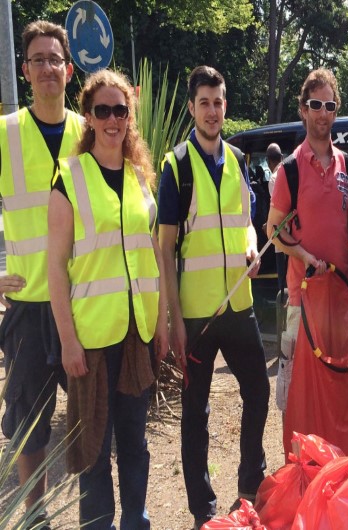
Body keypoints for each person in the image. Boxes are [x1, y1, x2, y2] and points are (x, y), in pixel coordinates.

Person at [47, 69, 169, 529]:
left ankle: (135, 521)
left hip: (136, 333)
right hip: (91, 340)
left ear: (129, 116)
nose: (113, 118)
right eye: (104, 110)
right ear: (89, 117)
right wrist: (67, 341)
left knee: (135, 445)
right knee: (93, 449)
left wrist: (160, 326)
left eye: (121, 109)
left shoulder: (141, 178)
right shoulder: (70, 178)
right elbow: (55, 267)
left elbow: (150, 259)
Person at [157, 66, 269, 530]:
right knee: (196, 414)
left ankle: (248, 486)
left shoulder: (239, 159)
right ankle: (203, 509)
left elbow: (245, 218)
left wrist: (248, 242)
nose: (213, 110)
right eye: (204, 102)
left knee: (259, 392)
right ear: (191, 107)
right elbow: (163, 247)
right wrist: (173, 319)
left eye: (219, 101)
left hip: (238, 305)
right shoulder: (176, 166)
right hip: (197, 316)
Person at [0, 20, 83, 528]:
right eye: (38, 60)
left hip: (86, 300)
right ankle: (36, 514)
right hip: (30, 305)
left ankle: (95, 506)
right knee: (30, 421)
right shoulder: (6, 134)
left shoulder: (90, 129)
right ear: (26, 71)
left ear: (69, 70)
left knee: (94, 413)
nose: (48, 68)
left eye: (56, 59)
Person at [266, 68, 348, 415]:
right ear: (303, 109)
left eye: (330, 105)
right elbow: (273, 231)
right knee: (301, 394)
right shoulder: (290, 168)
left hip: (342, 297)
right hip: (303, 296)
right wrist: (304, 255)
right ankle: (302, 464)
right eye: (316, 104)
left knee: (338, 384)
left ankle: (335, 463)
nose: (323, 113)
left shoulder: (347, 165)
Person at [266, 142, 287, 295]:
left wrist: (268, 225)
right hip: (296, 235)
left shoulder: (274, 178)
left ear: (268, 162)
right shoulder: (290, 170)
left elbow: (278, 209)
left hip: (282, 238)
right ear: (281, 157)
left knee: (284, 284)